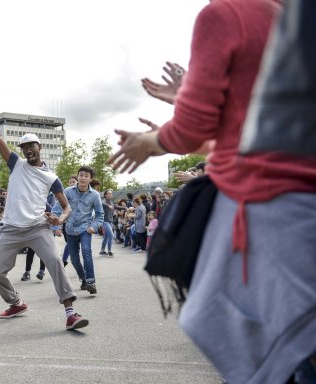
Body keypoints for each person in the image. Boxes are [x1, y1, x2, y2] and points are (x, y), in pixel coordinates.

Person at [107, 1, 315, 382]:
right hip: (298, 207)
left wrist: (151, 142)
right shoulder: (289, 16)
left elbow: (195, 126)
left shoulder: (225, 13)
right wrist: (189, 104)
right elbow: (240, 127)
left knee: (275, 346)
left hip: (268, 210)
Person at [0, 94, 88, 330]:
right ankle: (15, 302)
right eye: (24, 147)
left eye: (31, 146)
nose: (27, 150)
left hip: (37, 227)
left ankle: (71, 313)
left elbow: (67, 206)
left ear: (39, 146)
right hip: (12, 228)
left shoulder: (51, 177)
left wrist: (59, 220)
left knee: (55, 261)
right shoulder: (16, 164)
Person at [52, 166, 103, 295]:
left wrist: (94, 226)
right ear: (78, 176)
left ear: (90, 179)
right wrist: (56, 226)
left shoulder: (95, 195)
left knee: (86, 251)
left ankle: (91, 281)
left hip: (85, 228)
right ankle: (83, 279)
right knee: (74, 259)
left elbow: (99, 215)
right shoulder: (68, 192)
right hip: (70, 229)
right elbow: (57, 209)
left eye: (86, 176)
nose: (83, 178)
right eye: (81, 175)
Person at [99, 189, 115, 257]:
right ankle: (109, 251)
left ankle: (102, 251)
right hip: (105, 222)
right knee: (111, 235)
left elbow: (115, 207)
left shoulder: (111, 202)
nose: (110, 195)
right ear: (105, 195)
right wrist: (107, 205)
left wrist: (124, 208)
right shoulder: (104, 201)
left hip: (110, 221)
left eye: (111, 194)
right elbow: (101, 203)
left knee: (106, 237)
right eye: (109, 194)